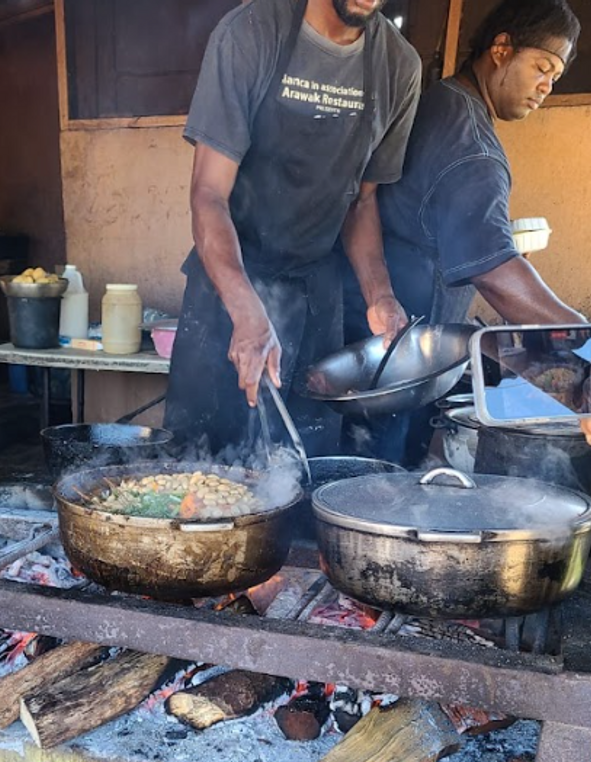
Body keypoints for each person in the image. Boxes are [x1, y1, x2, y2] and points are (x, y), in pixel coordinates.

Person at [163, 0, 422, 459]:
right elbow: (209, 195)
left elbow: (361, 201)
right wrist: (246, 308)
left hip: (315, 295)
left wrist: (380, 296)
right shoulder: (249, 33)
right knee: (196, 466)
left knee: (301, 471)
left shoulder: (398, 67)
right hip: (225, 289)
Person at [342, 0, 586, 465]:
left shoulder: (445, 100)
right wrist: (582, 349)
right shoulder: (471, 144)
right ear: (501, 49)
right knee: (376, 490)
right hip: (393, 357)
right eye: (541, 66)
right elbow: (494, 269)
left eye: (554, 77)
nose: (546, 86)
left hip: (380, 342)